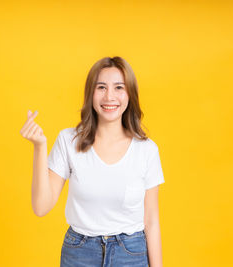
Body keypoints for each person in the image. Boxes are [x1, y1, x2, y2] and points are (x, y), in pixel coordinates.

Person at [20, 56, 165, 267]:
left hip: (130, 255)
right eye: (101, 87)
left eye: (118, 87)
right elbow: (41, 207)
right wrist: (39, 147)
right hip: (79, 253)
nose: (109, 96)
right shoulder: (68, 141)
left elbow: (151, 221)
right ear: (91, 93)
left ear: (130, 94)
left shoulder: (147, 149)